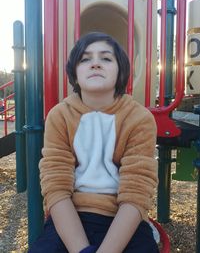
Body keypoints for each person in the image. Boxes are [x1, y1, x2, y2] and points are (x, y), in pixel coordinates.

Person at [28, 32, 159, 253]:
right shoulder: (60, 115)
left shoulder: (138, 118)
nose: (95, 63)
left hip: (121, 217)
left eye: (106, 58)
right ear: (74, 73)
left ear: (121, 71)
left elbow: (137, 190)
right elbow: (56, 187)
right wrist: (81, 250)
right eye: (85, 59)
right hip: (71, 215)